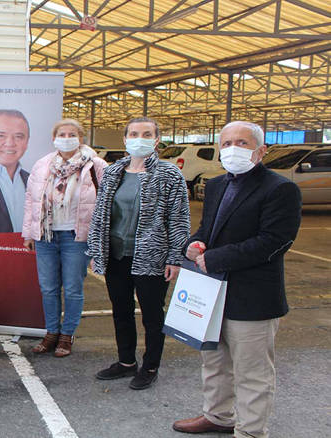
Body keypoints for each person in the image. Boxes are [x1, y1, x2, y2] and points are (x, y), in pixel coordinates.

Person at [173, 121, 301, 437]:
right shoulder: (217, 185)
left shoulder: (280, 188)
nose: (233, 149)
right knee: (214, 361)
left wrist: (215, 257)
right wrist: (192, 245)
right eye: (227, 142)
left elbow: (274, 241)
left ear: (261, 150)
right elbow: (208, 230)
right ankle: (217, 415)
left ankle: (251, 431)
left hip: (253, 296)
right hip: (212, 291)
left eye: (242, 142)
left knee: (252, 372)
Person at [87, 116, 190, 390]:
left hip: (152, 256)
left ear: (157, 140)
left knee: (152, 315)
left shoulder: (169, 175)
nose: (139, 139)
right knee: (121, 310)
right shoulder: (112, 172)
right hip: (116, 255)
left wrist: (175, 257)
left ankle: (151, 365)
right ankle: (126, 362)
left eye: (146, 134)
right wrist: (97, 250)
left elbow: (179, 219)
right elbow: (100, 215)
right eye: (133, 133)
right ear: (125, 139)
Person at [22, 119, 107, 357]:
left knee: (72, 288)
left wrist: (99, 237)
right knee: (48, 287)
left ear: (81, 138)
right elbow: (31, 199)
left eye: (72, 134)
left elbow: (106, 202)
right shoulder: (42, 165)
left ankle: (67, 334)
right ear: (54, 137)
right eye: (62, 133)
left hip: (76, 236)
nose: (66, 137)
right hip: (46, 236)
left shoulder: (95, 165)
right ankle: (51, 332)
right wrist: (28, 232)